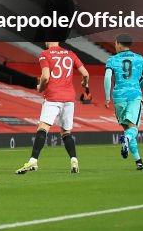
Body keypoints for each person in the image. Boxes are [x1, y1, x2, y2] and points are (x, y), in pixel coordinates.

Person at [15, 41, 89, 175]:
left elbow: (45, 76)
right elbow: (85, 73)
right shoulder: (70, 54)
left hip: (53, 96)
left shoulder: (45, 54)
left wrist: (40, 88)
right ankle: (74, 160)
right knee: (66, 132)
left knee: (43, 128)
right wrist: (85, 82)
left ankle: (33, 161)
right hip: (69, 98)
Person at [104, 33, 143, 171]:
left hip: (118, 97)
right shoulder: (139, 58)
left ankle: (138, 161)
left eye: (115, 43)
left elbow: (107, 77)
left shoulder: (112, 59)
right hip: (134, 96)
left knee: (127, 129)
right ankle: (126, 141)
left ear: (119, 44)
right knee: (133, 129)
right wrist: (139, 86)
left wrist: (107, 97)